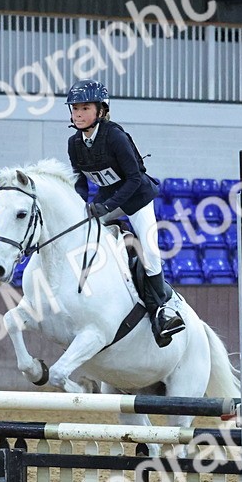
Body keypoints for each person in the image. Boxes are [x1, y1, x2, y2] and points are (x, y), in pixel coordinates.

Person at [66, 78, 183, 346]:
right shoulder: (74, 143)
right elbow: (80, 182)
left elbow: (133, 178)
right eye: (75, 109)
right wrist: (79, 207)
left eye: (85, 108)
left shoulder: (115, 136)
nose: (79, 114)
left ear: (101, 110)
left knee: (151, 252)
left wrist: (106, 207)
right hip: (108, 197)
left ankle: (164, 310)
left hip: (137, 197)